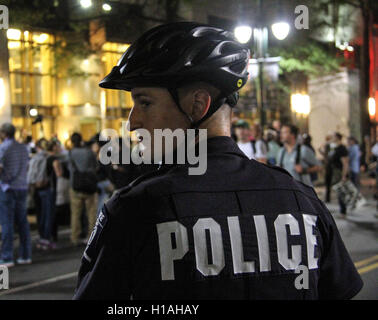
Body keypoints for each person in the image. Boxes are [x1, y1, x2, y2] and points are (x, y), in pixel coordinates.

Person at [72, 22, 363, 300]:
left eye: (144, 102)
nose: (132, 122)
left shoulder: (134, 209)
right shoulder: (302, 200)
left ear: (197, 105)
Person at [0, 123, 32, 267]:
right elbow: (26, 166)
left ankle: (7, 256)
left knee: (6, 224)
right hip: (21, 187)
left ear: (3, 133)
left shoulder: (1, 148)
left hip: (6, 189)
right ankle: (25, 255)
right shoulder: (23, 148)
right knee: (23, 223)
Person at [68, 133, 98, 245]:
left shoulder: (70, 153)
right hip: (89, 185)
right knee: (91, 213)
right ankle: (91, 236)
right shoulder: (89, 152)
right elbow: (96, 165)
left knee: (75, 213)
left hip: (75, 185)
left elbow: (69, 167)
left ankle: (74, 237)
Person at [28, 138, 54, 250]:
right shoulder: (47, 158)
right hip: (45, 187)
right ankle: (46, 238)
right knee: (47, 215)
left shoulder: (35, 158)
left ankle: (42, 237)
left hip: (37, 188)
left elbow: (30, 175)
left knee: (40, 215)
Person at [328, 132, 350, 216]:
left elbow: (345, 163)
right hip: (335, 171)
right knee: (339, 191)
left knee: (342, 192)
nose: (332, 138)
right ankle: (342, 210)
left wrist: (344, 175)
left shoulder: (342, 148)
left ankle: (343, 211)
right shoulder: (336, 148)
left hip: (340, 172)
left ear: (337, 137)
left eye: (333, 136)